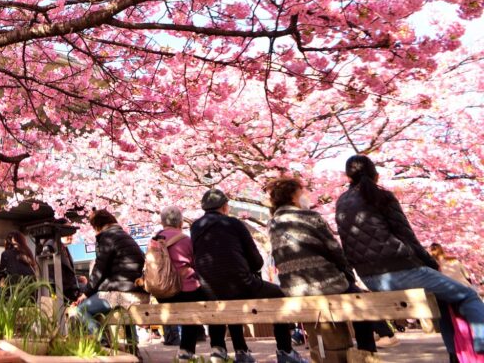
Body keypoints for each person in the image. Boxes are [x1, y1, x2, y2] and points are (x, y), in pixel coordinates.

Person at [336, 155, 484, 357]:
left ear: (348, 177)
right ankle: (481, 343)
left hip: (370, 278)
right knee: (468, 295)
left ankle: (456, 355)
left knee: (443, 300)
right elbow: (407, 236)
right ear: (375, 175)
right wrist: (431, 264)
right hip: (400, 270)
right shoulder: (381, 196)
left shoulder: (341, 203)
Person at [192, 188, 309, 363]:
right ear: (224, 207)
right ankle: (285, 351)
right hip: (240, 284)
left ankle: (240, 351)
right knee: (278, 294)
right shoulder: (234, 223)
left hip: (209, 288)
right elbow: (256, 261)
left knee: (226, 300)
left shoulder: (195, 227)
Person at [266, 177, 377, 356]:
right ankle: (366, 352)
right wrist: (348, 275)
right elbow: (334, 250)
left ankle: (333, 353)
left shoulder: (272, 224)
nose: (306, 196)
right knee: (360, 303)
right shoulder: (310, 216)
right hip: (326, 282)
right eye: (302, 192)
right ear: (294, 197)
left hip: (293, 289)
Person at [155, 205, 247, 362]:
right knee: (213, 298)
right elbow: (199, 264)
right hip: (185, 291)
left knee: (190, 309)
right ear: (180, 221)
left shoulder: (154, 241)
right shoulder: (185, 240)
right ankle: (216, 348)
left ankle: (186, 351)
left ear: (162, 222)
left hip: (162, 293)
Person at [72, 209, 146, 334]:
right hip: (138, 292)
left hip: (120, 295)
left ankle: (102, 342)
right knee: (125, 316)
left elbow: (99, 270)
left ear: (97, 226)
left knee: (80, 310)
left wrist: (86, 293)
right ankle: (132, 349)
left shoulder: (108, 238)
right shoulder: (125, 236)